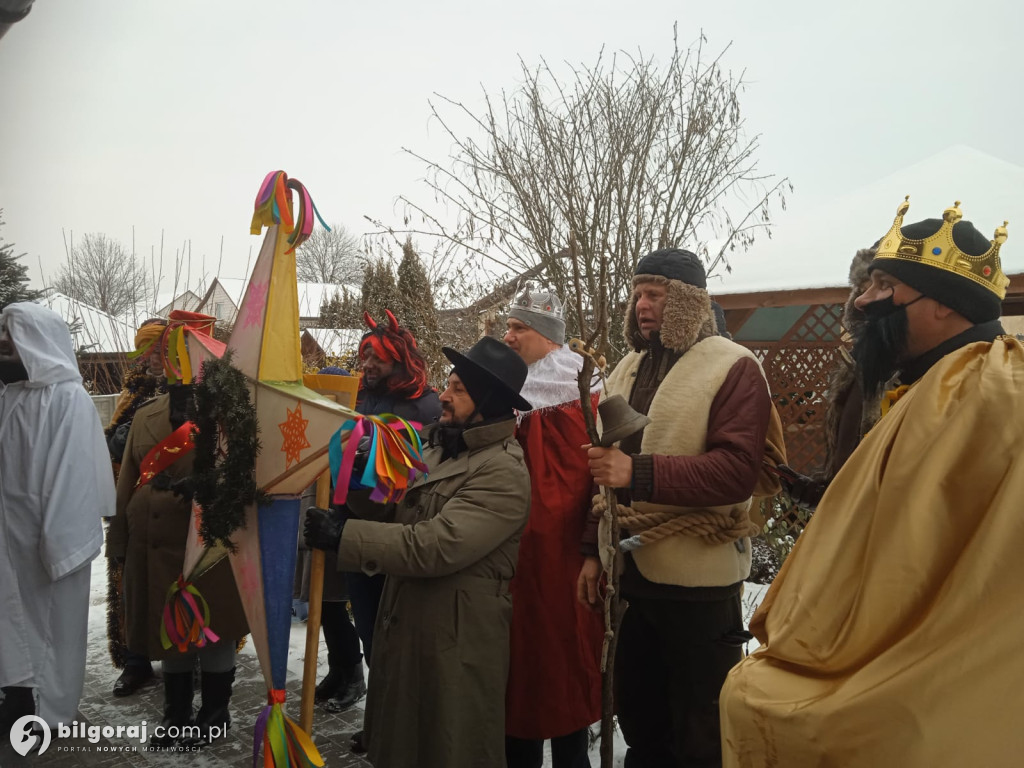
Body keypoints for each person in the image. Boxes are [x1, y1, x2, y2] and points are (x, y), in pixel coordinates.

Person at [720, 200, 1021, 767]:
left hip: (954, 673)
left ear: (940, 303)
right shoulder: (931, 383)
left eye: (883, 285)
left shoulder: (990, 394)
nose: (861, 301)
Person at [577, 248, 771, 768]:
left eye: (656, 294)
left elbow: (736, 473)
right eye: (638, 293)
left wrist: (637, 473)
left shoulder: (734, 367)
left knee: (702, 732)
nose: (642, 304)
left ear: (687, 300)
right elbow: (599, 473)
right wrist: (591, 552)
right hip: (630, 577)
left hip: (699, 588)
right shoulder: (625, 368)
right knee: (642, 722)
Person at [305, 335, 532, 768]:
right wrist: (356, 483)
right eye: (448, 385)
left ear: (490, 401)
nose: (443, 396)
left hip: (455, 639)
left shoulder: (503, 470)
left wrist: (345, 536)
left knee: (446, 746)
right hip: (408, 623)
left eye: (459, 390)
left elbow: (435, 546)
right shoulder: (439, 445)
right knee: (400, 741)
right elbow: (396, 512)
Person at [105, 311, 249, 748]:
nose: (175, 368)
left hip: (208, 542)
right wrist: (120, 540)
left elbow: (244, 476)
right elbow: (128, 480)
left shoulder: (230, 414)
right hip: (154, 544)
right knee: (172, 633)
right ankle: (176, 715)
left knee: (214, 628)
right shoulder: (147, 414)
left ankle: (215, 714)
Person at [0, 302, 114, 733]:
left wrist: (61, 543)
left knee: (51, 630)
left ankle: (48, 713)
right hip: (8, 541)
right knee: (10, 625)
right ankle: (15, 696)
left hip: (47, 543)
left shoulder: (68, 399)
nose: (4, 351)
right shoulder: (9, 397)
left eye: (11, 342)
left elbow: (74, 476)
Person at [502, 287, 603, 768]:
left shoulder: (585, 391)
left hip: (566, 557)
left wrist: (593, 547)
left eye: (519, 327)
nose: (509, 335)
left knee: (565, 655)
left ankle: (571, 756)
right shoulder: (505, 387)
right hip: (511, 555)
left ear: (545, 334)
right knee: (518, 663)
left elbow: (599, 481)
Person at [323, 312, 441, 716]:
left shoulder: (425, 405)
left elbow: (427, 472)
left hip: (397, 534)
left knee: (394, 634)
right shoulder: (358, 397)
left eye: (377, 359)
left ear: (400, 360)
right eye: (364, 358)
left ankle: (399, 721)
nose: (367, 366)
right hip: (353, 525)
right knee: (369, 629)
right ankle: (381, 717)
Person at [105, 317, 167, 696]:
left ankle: (188, 657)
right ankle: (136, 662)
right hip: (135, 506)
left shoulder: (198, 390)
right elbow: (112, 444)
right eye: (147, 351)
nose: (153, 358)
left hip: (178, 506)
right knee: (130, 587)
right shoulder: (133, 395)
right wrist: (133, 433)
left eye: (159, 349)